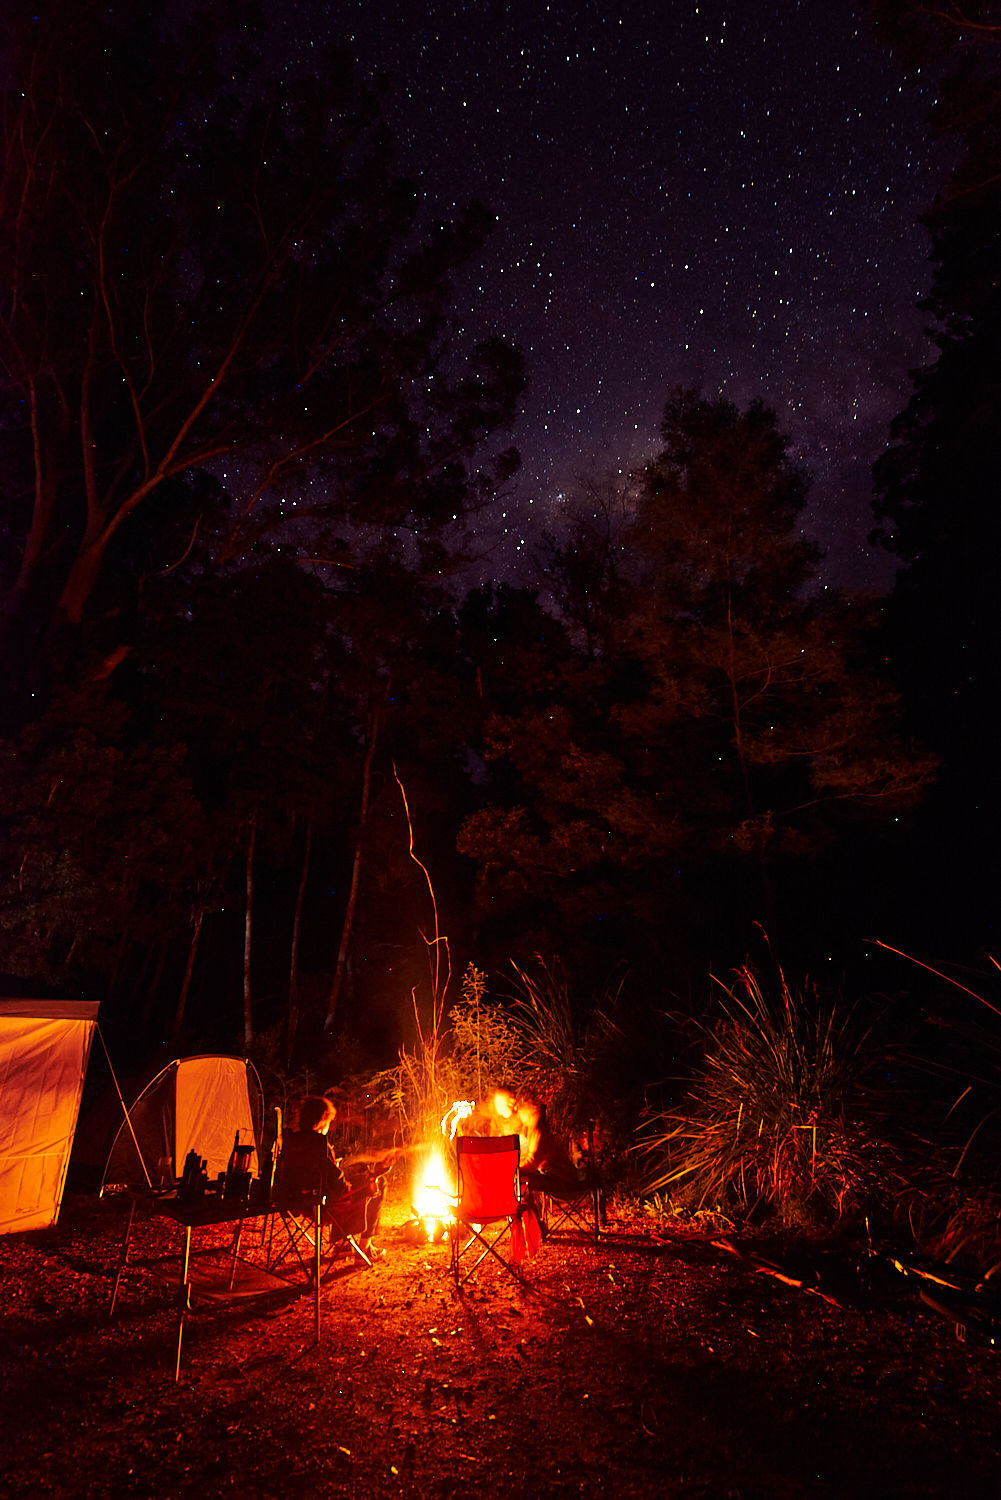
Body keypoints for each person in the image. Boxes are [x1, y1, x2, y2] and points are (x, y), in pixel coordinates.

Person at [278, 1096, 386, 1264]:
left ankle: (343, 1245)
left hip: (298, 1201)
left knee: (359, 1180)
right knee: (377, 1184)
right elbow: (339, 1185)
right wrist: (368, 1179)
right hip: (326, 1205)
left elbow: (318, 1172)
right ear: (322, 1120)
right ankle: (364, 1250)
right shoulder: (319, 1142)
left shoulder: (291, 1140)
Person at [517, 1100, 580, 1236]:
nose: (520, 1116)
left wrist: (513, 1171)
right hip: (559, 1176)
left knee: (525, 1181)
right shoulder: (538, 1128)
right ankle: (535, 1225)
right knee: (526, 1180)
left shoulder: (539, 1131)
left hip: (564, 1181)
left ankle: (535, 1227)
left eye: (521, 1111)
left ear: (529, 1111)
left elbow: (533, 1161)